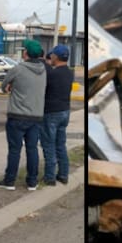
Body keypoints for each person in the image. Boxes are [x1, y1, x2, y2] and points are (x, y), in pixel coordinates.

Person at [0, 39, 48, 190]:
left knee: (15, 150)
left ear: (25, 53)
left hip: (17, 116)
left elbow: (3, 85)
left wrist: (10, 87)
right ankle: (32, 182)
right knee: (32, 149)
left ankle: (10, 181)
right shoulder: (44, 70)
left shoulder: (18, 68)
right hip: (36, 116)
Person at [42, 44, 75, 186]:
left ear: (56, 56)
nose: (51, 58)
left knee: (49, 145)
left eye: (52, 55)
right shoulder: (69, 73)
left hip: (51, 112)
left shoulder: (52, 74)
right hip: (65, 112)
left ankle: (50, 177)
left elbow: (45, 90)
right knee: (61, 144)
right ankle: (63, 175)